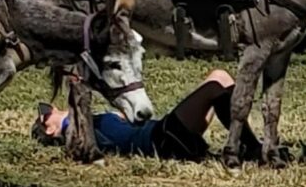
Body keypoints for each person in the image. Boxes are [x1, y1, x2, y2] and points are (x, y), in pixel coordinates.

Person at [33, 68, 261, 161]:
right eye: (46, 116)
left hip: (163, 132)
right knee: (215, 86)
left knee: (220, 77)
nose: (51, 109)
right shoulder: (75, 131)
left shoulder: (85, 121)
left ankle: (245, 144)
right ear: (51, 130)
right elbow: (87, 150)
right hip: (160, 140)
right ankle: (253, 150)